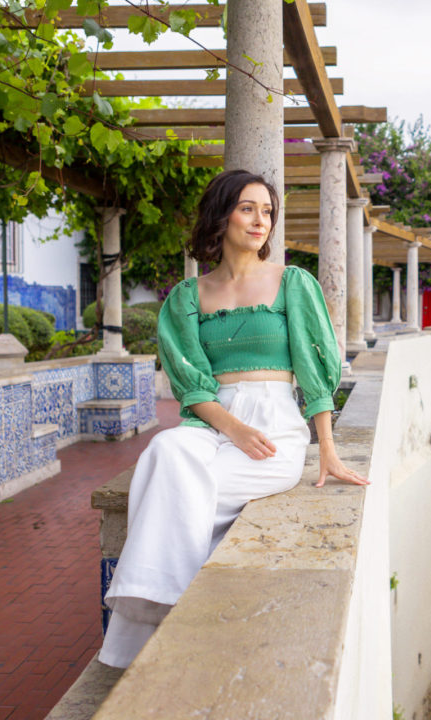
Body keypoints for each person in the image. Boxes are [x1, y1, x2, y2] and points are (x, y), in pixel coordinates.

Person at [98, 169, 368, 668]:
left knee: (172, 492)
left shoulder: (292, 283)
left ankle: (151, 621)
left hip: (275, 428)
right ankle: (177, 611)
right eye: (248, 208)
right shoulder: (187, 297)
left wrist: (326, 451)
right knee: (165, 450)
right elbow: (192, 386)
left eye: (267, 211)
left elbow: (315, 375)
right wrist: (233, 428)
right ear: (222, 215)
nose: (261, 220)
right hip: (214, 422)